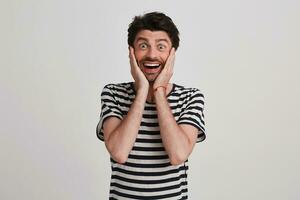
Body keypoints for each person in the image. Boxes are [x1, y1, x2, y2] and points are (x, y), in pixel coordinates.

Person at [96, 11, 206, 200]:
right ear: (132, 52)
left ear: (172, 54)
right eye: (143, 46)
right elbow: (119, 152)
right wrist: (141, 93)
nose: (152, 54)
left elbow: (178, 154)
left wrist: (159, 91)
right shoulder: (113, 94)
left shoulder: (190, 97)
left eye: (161, 46)